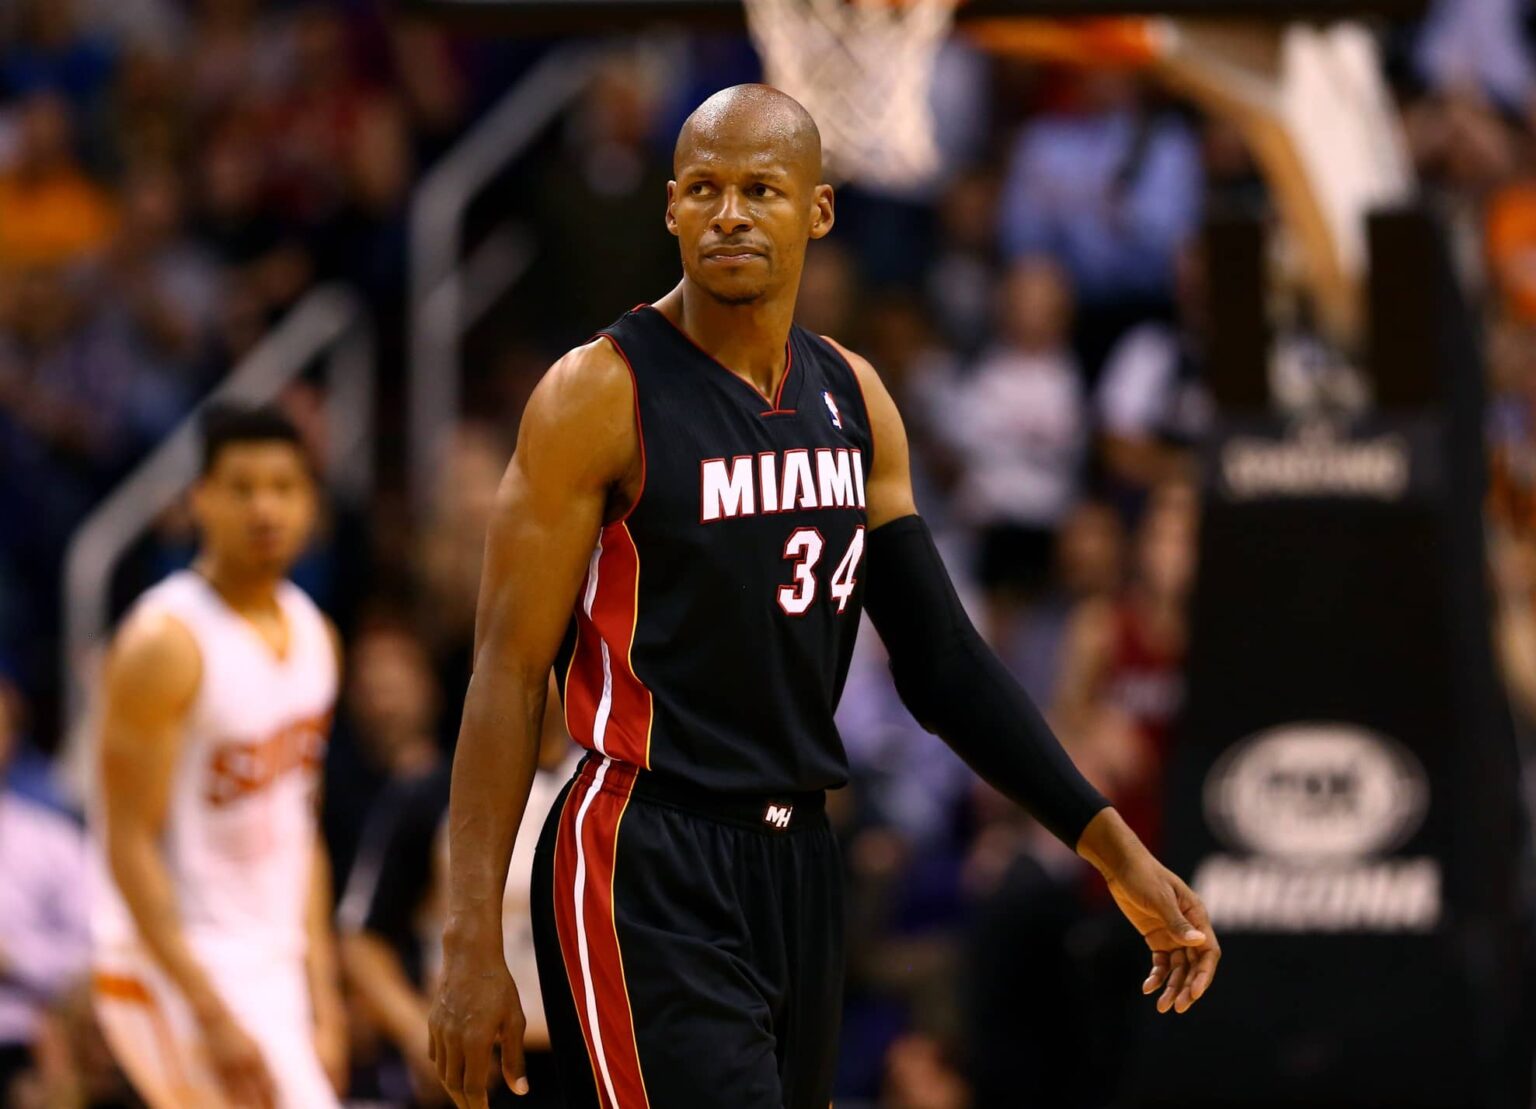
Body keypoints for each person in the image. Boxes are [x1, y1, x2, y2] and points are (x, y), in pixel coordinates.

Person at [429, 85, 1221, 1109]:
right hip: (643, 848)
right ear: (669, 207)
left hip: (800, 856)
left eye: (760, 189)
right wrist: (468, 939)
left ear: (818, 210)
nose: (729, 214)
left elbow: (943, 662)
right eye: (705, 189)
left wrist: (1113, 848)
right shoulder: (598, 393)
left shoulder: (854, 396)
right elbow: (503, 672)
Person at [90, 404, 346, 1108]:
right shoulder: (164, 642)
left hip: (271, 964)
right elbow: (126, 840)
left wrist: (321, 997)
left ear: (311, 503)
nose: (264, 507)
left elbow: (302, 830)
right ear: (199, 497)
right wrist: (207, 1005)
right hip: (173, 963)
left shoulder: (316, 635)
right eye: (241, 487)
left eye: (283, 486)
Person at [340, 674, 577, 1108]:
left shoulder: (608, 793)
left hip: (586, 1059)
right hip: (477, 1066)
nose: (535, 674)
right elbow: (361, 940)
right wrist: (416, 1031)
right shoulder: (428, 793)